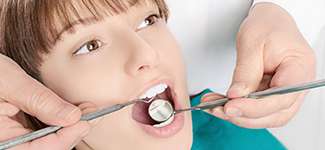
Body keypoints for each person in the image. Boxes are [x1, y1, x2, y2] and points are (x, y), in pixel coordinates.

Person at [0, 0, 315, 149]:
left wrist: (275, 9)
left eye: (148, 20)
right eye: (90, 45)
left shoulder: (236, 140)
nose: (146, 53)